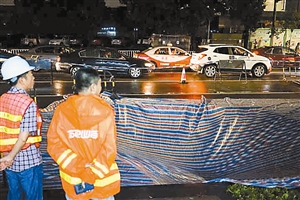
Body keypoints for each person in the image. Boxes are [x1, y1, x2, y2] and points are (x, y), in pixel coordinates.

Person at [47, 68, 120, 200]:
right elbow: (109, 149)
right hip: (101, 182)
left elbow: (54, 145)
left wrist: (79, 165)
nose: (100, 88)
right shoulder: (106, 111)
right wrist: (91, 175)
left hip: (74, 183)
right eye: (99, 84)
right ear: (92, 87)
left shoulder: (62, 110)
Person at [0, 56, 43, 200]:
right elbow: (23, 137)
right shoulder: (27, 103)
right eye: (31, 75)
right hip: (28, 162)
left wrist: (6, 158)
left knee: (14, 195)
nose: (34, 78)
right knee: (34, 197)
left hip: (8, 162)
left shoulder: (2, 99)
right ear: (22, 80)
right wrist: (10, 157)